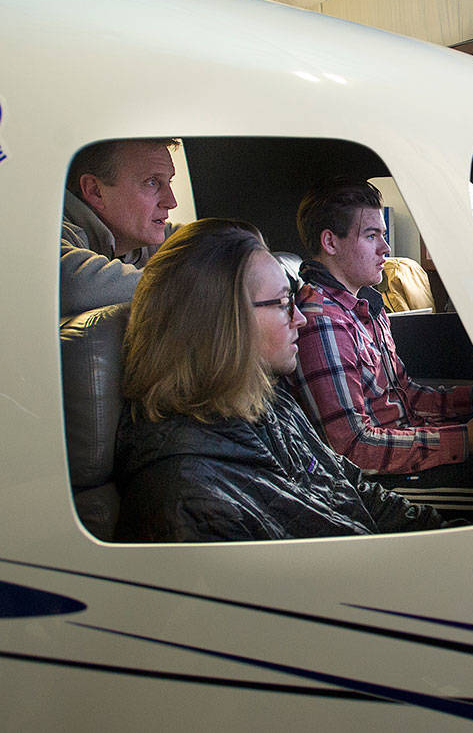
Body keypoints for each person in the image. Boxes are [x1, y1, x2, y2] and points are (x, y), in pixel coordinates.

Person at [115, 218, 449, 541]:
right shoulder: (189, 498)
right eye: (284, 304)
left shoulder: (269, 403)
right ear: (222, 323)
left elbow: (354, 490)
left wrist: (444, 536)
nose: (301, 319)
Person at [287, 178, 473, 516]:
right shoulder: (323, 322)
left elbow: (407, 396)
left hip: (402, 450)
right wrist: (465, 440)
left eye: (382, 234)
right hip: (377, 487)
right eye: (371, 236)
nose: (386, 248)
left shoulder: (363, 306)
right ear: (330, 242)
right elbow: (351, 447)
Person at [61, 138, 180, 316]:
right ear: (96, 191)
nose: (171, 202)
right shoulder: (43, 234)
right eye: (152, 182)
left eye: (169, 182)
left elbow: (217, 246)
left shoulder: (141, 232)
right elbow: (71, 287)